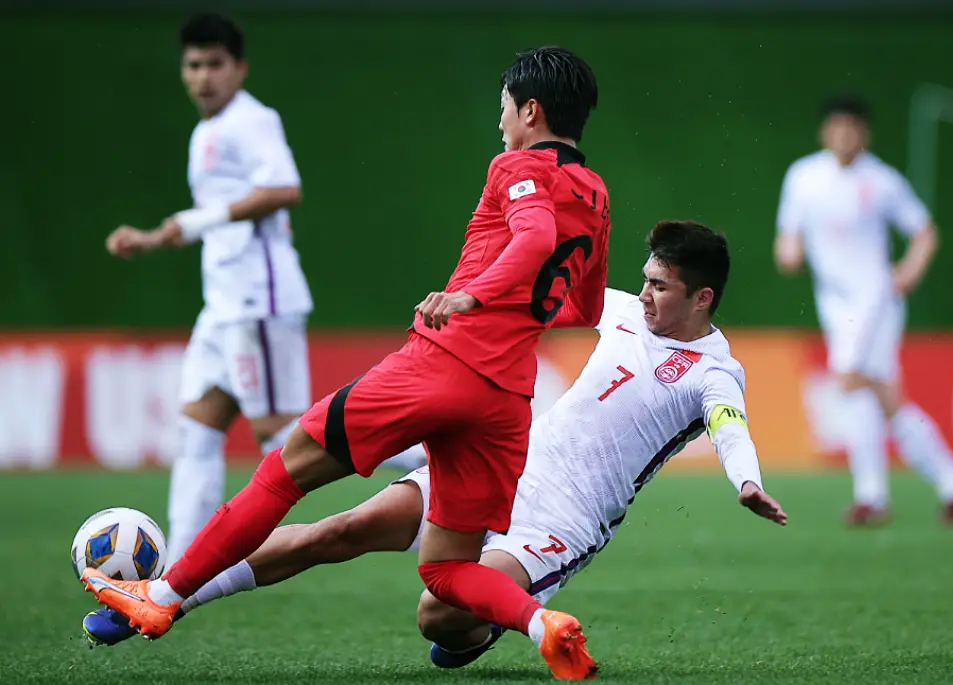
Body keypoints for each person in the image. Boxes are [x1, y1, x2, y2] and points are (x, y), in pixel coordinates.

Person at [84, 46, 607, 681]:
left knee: (282, 474)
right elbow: (581, 302)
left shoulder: (517, 166)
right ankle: (539, 622)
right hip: (507, 397)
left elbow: (534, 236)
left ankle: (160, 598)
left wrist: (475, 293)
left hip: (443, 360)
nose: (500, 124)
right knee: (446, 571)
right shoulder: (596, 194)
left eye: (504, 110)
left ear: (531, 111)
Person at [83, 221, 787, 675]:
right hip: (506, 463)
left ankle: (474, 634)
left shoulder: (714, 371)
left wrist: (745, 480)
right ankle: (165, 595)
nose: (644, 292)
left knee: (439, 616)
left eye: (661, 285)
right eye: (645, 278)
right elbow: (535, 295)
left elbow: (730, 425)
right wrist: (468, 299)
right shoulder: (629, 312)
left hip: (561, 524)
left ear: (703, 298)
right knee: (341, 528)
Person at [104, 13, 313, 565]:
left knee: (285, 434)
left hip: (257, 300)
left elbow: (284, 188)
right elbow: (213, 215)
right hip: (221, 305)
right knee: (198, 422)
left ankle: (420, 450)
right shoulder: (206, 133)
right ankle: (178, 565)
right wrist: (153, 238)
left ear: (238, 68)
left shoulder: (252, 120)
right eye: (193, 65)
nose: (204, 77)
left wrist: (192, 223)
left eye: (215, 64)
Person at [774, 95, 953, 526]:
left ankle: (879, 495)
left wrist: (909, 270)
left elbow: (924, 232)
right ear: (825, 131)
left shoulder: (881, 181)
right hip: (833, 302)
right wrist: (788, 250)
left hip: (875, 298)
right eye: (837, 126)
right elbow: (788, 234)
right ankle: (949, 485)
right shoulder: (804, 175)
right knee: (871, 391)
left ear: (864, 133)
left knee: (850, 381)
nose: (844, 134)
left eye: (852, 127)